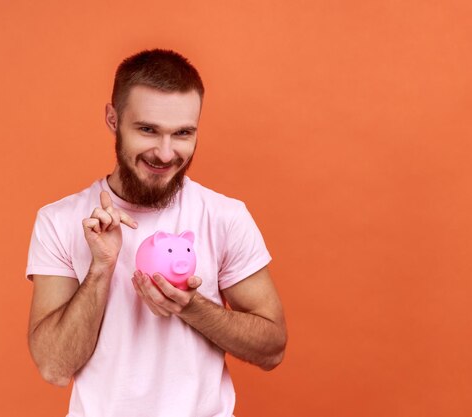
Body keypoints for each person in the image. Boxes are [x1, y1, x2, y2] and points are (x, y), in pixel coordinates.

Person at [25, 49, 287, 417]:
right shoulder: (60, 220)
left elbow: (272, 348)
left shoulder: (225, 216)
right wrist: (101, 267)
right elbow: (54, 367)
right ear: (113, 120)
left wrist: (192, 307)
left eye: (182, 133)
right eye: (148, 129)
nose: (165, 154)